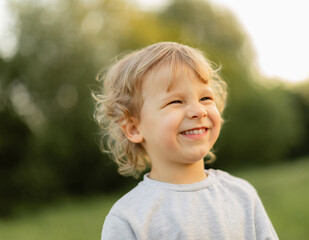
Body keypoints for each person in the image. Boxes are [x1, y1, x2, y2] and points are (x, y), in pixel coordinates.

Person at [93, 42, 279, 240]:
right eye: (175, 101)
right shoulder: (128, 219)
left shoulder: (242, 195)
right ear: (133, 128)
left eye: (206, 98)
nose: (199, 111)